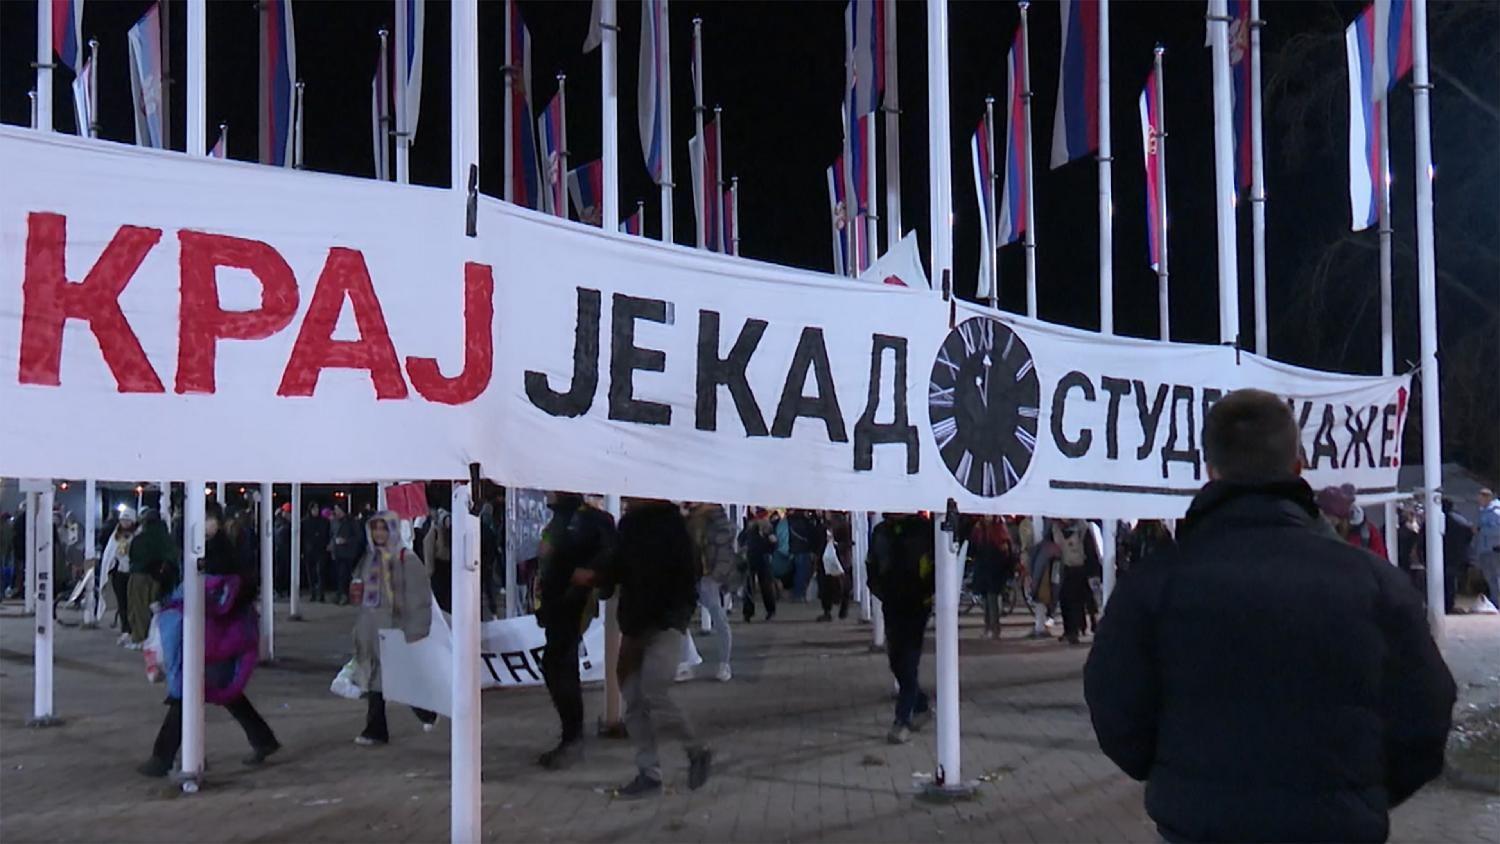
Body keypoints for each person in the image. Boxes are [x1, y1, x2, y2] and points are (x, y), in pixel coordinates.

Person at [1085, 389, 1455, 843]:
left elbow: (1115, 710)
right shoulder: (1377, 583)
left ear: (1210, 472)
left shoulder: (1154, 583)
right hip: (1336, 827)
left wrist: (1174, 774)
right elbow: (1425, 716)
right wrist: (1361, 790)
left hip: (1201, 824)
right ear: (1298, 466)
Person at [138, 502, 280, 776]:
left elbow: (228, 594)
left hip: (218, 634)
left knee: (188, 691)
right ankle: (263, 739)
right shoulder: (195, 552)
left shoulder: (224, 553)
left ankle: (162, 758)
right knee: (222, 690)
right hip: (212, 633)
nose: (205, 525)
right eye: (201, 519)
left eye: (209, 519)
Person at [595, 499, 711, 799]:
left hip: (658, 624)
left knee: (651, 692)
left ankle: (695, 750)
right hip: (642, 624)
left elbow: (688, 576)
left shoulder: (668, 528)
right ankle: (650, 773)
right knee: (635, 697)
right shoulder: (637, 526)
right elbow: (617, 569)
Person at [533, 492, 616, 769]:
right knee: (557, 665)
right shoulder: (563, 519)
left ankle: (573, 738)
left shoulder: (587, 519)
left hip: (572, 602)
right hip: (558, 602)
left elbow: (607, 556)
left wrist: (591, 577)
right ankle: (571, 735)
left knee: (561, 665)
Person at [351, 511, 438, 745]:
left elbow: (419, 598)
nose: (379, 533)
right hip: (372, 629)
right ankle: (376, 729)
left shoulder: (405, 559)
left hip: (395, 629)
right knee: (376, 680)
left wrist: (416, 631)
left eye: (383, 528)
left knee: (399, 679)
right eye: (375, 528)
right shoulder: (370, 558)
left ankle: (426, 711)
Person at [866, 512, 935, 744]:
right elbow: (872, 564)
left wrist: (927, 591)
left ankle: (902, 719)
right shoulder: (881, 532)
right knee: (896, 660)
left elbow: (936, 564)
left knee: (909, 660)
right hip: (892, 603)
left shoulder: (924, 530)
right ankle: (921, 703)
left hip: (917, 604)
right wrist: (881, 590)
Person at [683, 502, 738, 681]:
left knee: (718, 617)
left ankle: (724, 664)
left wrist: (717, 575)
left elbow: (723, 551)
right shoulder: (692, 518)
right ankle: (688, 662)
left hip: (707, 576)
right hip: (695, 574)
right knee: (681, 619)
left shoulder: (716, 521)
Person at [126, 508, 176, 650]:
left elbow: (133, 555)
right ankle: (154, 638)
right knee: (154, 608)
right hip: (159, 578)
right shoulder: (166, 537)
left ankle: (140, 638)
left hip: (139, 576)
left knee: (139, 608)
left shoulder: (141, 538)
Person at [968, 514, 1017, 639]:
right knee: (986, 599)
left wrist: (1008, 570)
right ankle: (989, 627)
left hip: (995, 569)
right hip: (984, 568)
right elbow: (973, 547)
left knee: (992, 598)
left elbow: (1006, 551)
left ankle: (994, 628)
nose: (987, 517)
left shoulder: (999, 529)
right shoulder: (979, 529)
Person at [1053, 519, 1100, 645]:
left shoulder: (1082, 527)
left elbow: (1090, 550)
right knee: (1065, 600)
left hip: (1080, 568)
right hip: (1064, 568)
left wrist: (1092, 571)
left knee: (1076, 601)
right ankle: (1070, 630)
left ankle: (1075, 631)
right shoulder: (1055, 528)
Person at [1317, 484, 1389, 561]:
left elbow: (1382, 566)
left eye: (1331, 518)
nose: (1327, 521)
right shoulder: (1313, 531)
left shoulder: (1367, 534)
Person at [101, 507, 137, 644]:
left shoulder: (137, 535)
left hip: (131, 573)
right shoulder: (116, 535)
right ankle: (125, 629)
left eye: (127, 520)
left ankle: (134, 629)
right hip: (118, 574)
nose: (125, 523)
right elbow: (110, 552)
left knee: (132, 602)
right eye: (123, 520)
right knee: (122, 603)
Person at [739, 510, 778, 622]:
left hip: (756, 559)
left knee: (759, 587)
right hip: (757, 559)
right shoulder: (761, 530)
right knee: (759, 587)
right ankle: (759, 611)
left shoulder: (752, 530)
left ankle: (751, 612)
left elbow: (741, 540)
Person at [1026, 521, 1061, 639]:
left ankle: (1040, 626)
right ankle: (1043, 625)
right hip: (1049, 580)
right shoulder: (1056, 549)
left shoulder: (1043, 548)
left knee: (1041, 601)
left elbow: (1035, 566)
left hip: (1043, 582)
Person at [818, 512, 853, 622]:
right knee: (828, 585)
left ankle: (838, 609)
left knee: (840, 585)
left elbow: (847, 542)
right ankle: (830, 610)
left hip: (838, 559)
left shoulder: (841, 524)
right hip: (830, 558)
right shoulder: (825, 524)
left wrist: (836, 545)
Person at [1441, 500, 1473, 614]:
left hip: (1443, 554)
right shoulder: (1460, 521)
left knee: (1443, 581)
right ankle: (1449, 604)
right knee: (1450, 581)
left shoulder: (1433, 520)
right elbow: (1469, 535)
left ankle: (1443, 604)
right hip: (1456, 555)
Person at [422, 507, 454, 614]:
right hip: (439, 569)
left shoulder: (449, 532)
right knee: (441, 599)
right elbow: (431, 550)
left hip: (445, 569)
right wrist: (429, 571)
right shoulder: (435, 532)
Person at [329, 504, 361, 605]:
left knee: (344, 574)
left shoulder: (351, 522)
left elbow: (358, 537)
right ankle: (339, 594)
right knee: (338, 575)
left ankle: (344, 595)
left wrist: (346, 541)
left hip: (348, 553)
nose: (336, 512)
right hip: (338, 552)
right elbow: (332, 534)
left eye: (337, 509)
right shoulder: (336, 522)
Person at [1474, 488, 1500, 606]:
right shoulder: (1484, 511)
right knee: (1490, 577)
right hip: (1485, 549)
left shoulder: (1496, 512)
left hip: (1495, 549)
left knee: (1497, 576)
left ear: (1487, 498)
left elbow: (1497, 531)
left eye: (1480, 498)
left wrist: (1480, 530)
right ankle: (1495, 601)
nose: (1478, 501)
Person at [301, 503, 330, 602]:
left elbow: (327, 534)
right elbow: (302, 537)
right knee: (311, 574)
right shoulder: (305, 522)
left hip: (321, 550)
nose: (316, 511)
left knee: (320, 572)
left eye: (317, 509)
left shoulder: (324, 522)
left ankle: (321, 594)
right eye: (314, 509)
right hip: (309, 551)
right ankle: (313, 593)